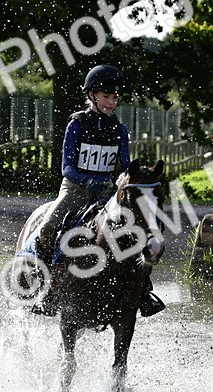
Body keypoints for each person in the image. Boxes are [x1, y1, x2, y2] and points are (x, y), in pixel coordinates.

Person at [33, 64, 165, 317]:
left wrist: (134, 178)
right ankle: (45, 287)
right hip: (75, 189)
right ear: (91, 95)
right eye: (106, 96)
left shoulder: (119, 129)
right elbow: (66, 167)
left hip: (107, 192)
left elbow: (125, 166)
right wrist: (87, 181)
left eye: (115, 97)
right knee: (48, 227)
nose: (111, 102)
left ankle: (143, 291)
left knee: (138, 230)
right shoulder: (77, 124)